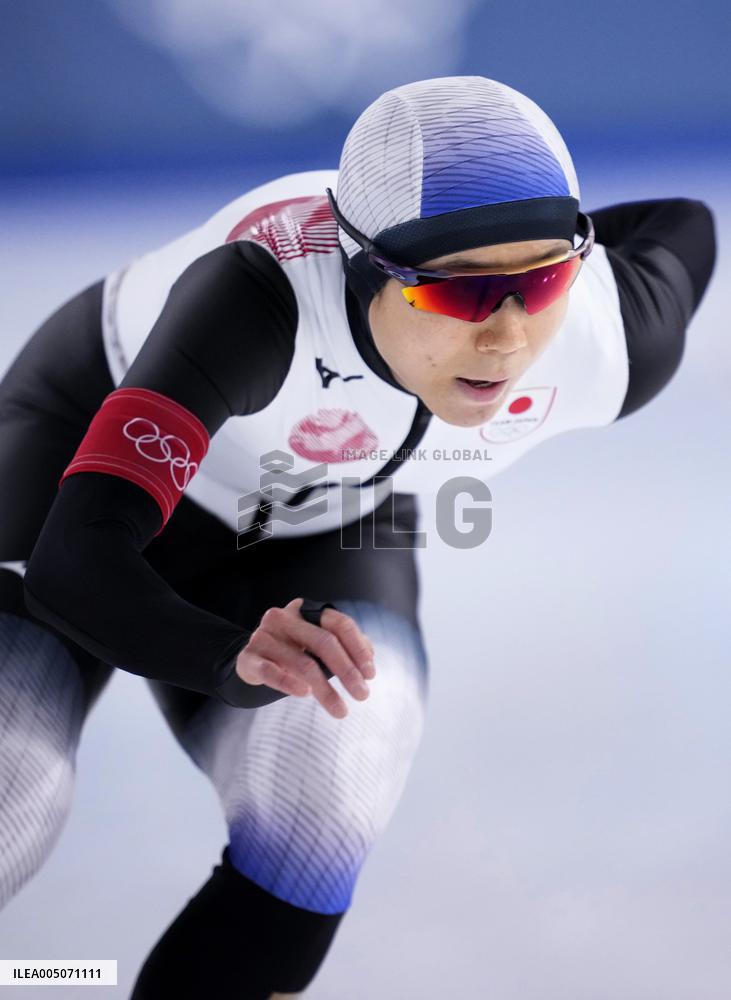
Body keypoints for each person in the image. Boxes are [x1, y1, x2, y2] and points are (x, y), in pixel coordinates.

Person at [0, 75, 716, 999]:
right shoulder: (256, 306)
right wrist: (225, 656)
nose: (505, 340)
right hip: (79, 463)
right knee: (14, 787)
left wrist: (541, 266)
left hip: (321, 511)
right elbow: (75, 559)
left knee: (325, 800)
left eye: (539, 280)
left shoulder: (602, 340)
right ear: (363, 266)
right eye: (460, 296)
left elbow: (684, 221)